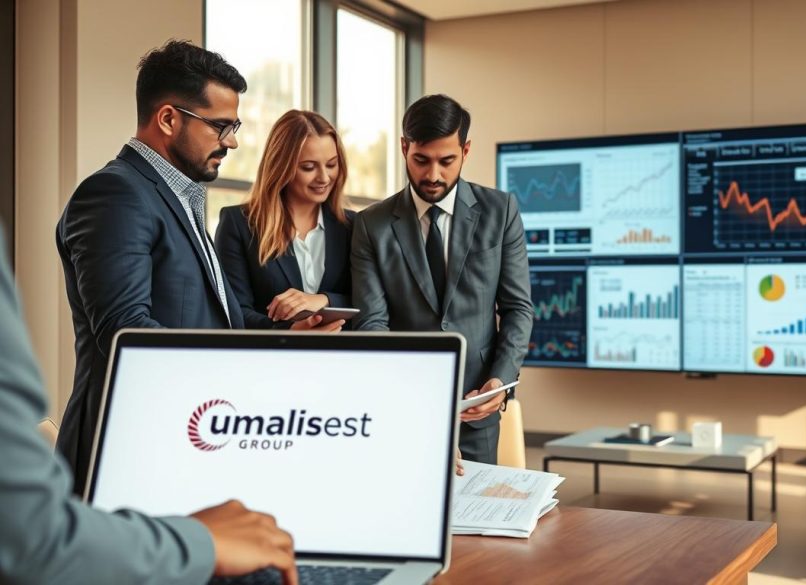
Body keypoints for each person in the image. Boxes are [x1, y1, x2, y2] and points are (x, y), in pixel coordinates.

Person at [53, 41, 329, 495]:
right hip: (129, 452)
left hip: (181, 441)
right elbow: (128, 335)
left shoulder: (179, 197)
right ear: (168, 119)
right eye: (221, 126)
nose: (233, 141)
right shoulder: (114, 194)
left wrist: (282, 336)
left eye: (234, 126)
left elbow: (208, 320)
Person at [0, 228, 299, 585]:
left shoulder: (187, 202)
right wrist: (200, 543)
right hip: (160, 458)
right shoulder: (115, 192)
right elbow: (29, 535)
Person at [351, 94, 533, 464]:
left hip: (476, 406)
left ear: (466, 151)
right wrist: (411, 394)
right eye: (421, 160)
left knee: (478, 517)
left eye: (446, 161)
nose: (433, 175)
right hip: (402, 409)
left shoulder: (501, 212)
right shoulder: (372, 224)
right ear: (404, 148)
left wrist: (499, 380)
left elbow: (517, 308)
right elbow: (371, 321)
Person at [215, 110, 354, 329]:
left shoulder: (353, 226)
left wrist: (324, 300)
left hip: (345, 359)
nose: (324, 178)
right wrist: (290, 332)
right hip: (272, 358)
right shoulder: (238, 224)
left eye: (331, 164)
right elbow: (234, 313)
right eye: (308, 167)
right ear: (281, 166)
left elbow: (372, 301)